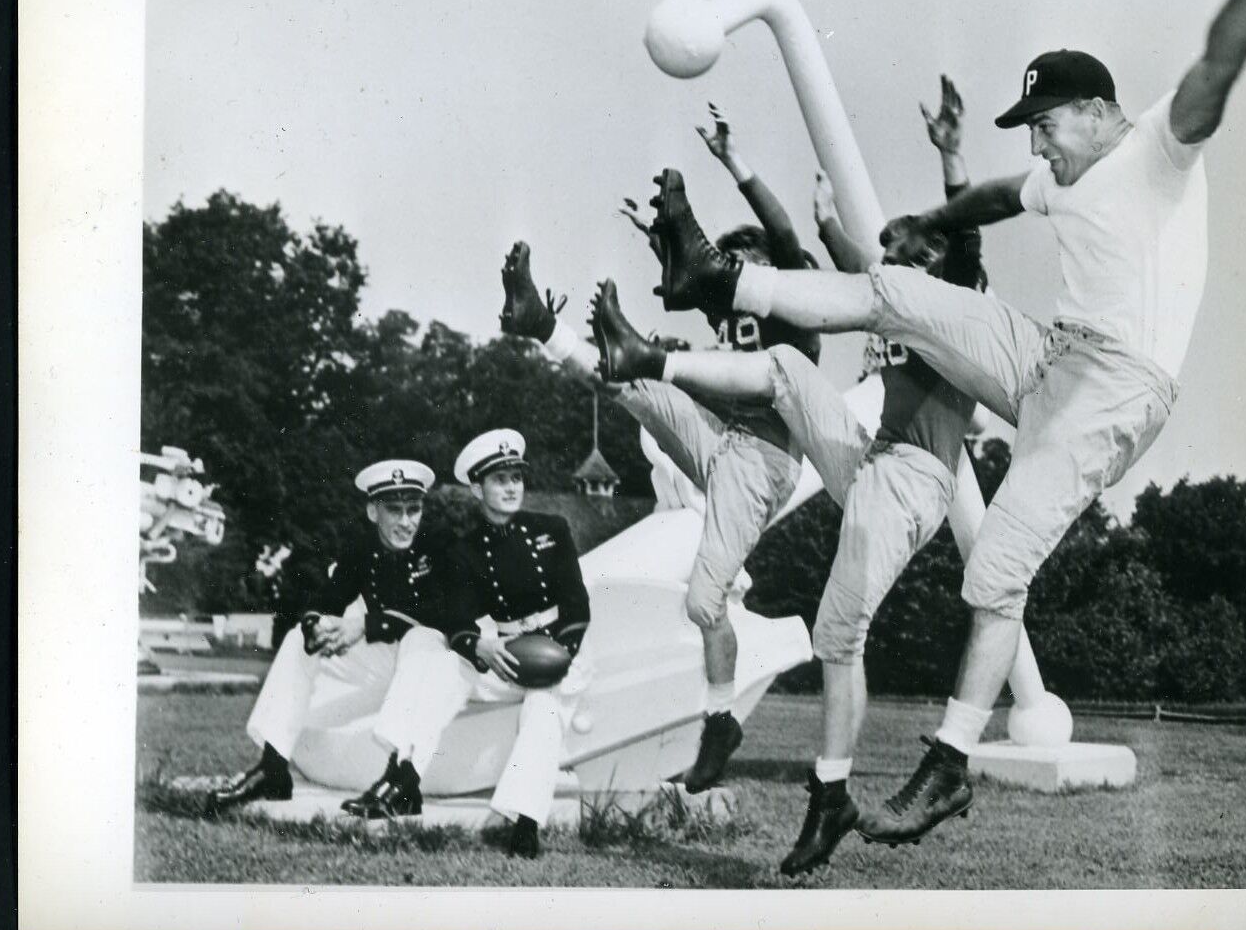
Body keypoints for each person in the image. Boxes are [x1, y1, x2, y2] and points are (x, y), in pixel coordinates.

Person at [638, 0, 1246, 848]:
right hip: (1044, 354)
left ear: (1100, 111)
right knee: (897, 292)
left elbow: (1215, 72)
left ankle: (949, 761)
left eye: (1048, 125)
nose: (1042, 145)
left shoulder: (1156, 148)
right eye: (1033, 131)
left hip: (1116, 389)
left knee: (994, 570)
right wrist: (931, 214)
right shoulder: (1057, 179)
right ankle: (723, 279)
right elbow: (996, 198)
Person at [588, 79, 986, 876]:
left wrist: (951, 157)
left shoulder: (957, 305)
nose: (897, 269)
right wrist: (821, 215)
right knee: (776, 363)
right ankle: (650, 359)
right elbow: (836, 267)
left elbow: (967, 243)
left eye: (914, 260)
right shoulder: (890, 291)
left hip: (913, 486)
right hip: (866, 459)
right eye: (895, 260)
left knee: (840, 638)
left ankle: (829, 792)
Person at [498, 104, 821, 796]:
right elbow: (699, 277)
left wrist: (736, 165)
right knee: (628, 379)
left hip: (762, 463)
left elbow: (788, 240)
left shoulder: (795, 307)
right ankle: (540, 323)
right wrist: (663, 242)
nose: (735, 276)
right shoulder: (730, 308)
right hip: (718, 440)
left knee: (705, 604)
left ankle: (718, 722)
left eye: (745, 266)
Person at [207, 460, 469, 820]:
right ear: (373, 510)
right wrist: (316, 624)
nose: (407, 521)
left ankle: (403, 781)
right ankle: (273, 767)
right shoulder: (361, 548)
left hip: (435, 666)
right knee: (299, 640)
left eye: (414, 509)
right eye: (395, 510)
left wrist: (364, 624)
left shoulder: (439, 544)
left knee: (421, 641)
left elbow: (444, 612)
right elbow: (330, 596)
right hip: (383, 663)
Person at [438, 429, 592, 859]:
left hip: (560, 647)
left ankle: (524, 823)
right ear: (476, 488)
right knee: (443, 667)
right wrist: (480, 648)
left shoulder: (551, 529)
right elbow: (457, 620)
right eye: (499, 479)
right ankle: (408, 769)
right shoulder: (465, 551)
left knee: (543, 705)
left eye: (516, 478)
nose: (511, 488)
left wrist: (561, 653)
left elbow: (577, 604)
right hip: (507, 650)